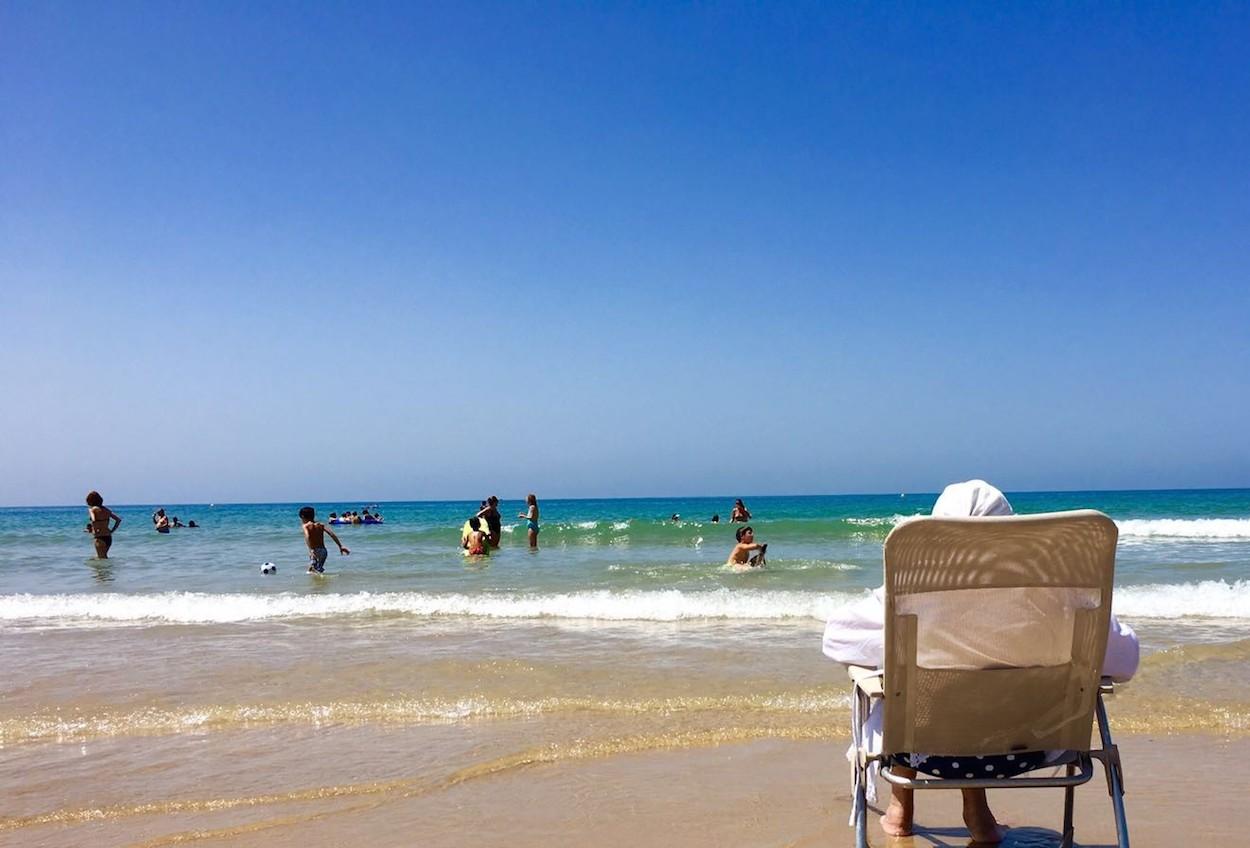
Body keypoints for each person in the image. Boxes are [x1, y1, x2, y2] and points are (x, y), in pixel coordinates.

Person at [821, 480, 1140, 844]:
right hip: (1032, 746)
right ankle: (976, 813)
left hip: (926, 747)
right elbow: (1126, 661)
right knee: (966, 685)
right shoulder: (1060, 594)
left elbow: (836, 638)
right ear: (1014, 534)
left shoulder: (911, 594)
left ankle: (902, 807)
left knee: (906, 681)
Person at [299, 506, 350, 573]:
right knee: (316, 569)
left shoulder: (305, 526)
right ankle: (320, 582)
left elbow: (307, 536)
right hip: (323, 551)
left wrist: (311, 550)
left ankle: (319, 581)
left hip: (315, 551)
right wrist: (340, 546)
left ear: (302, 517)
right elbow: (332, 534)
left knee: (313, 570)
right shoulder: (321, 525)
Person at [85, 491, 121, 559]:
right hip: (108, 537)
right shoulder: (106, 509)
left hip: (99, 538)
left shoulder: (92, 509)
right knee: (103, 558)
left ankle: (103, 569)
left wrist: (91, 528)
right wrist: (112, 531)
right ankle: (107, 569)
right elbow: (118, 520)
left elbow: (94, 519)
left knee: (101, 559)